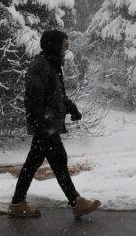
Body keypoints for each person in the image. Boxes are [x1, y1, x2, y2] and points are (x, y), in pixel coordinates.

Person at [8, 30, 101, 219]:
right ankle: (76, 202)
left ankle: (18, 203)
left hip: (48, 124)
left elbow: (57, 96)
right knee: (58, 161)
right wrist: (40, 123)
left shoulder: (52, 65)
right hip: (45, 125)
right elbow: (33, 99)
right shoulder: (40, 66)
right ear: (54, 45)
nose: (66, 49)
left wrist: (71, 107)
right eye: (64, 46)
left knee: (35, 163)